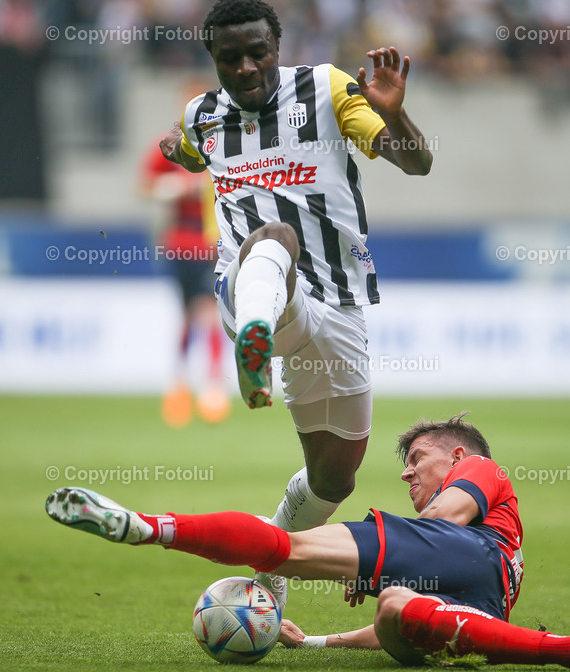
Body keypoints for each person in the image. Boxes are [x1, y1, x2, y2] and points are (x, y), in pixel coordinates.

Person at [157, 0, 434, 609]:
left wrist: (398, 116)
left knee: (336, 474)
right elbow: (194, 143)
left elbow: (418, 163)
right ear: (214, 60)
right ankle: (251, 342)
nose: (247, 67)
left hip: (335, 305)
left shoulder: (327, 89)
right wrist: (182, 150)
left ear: (279, 47)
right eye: (230, 59)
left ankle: (269, 559)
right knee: (273, 238)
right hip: (252, 293)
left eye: (258, 52)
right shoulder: (203, 114)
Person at [45, 414, 570, 671]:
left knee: (287, 549)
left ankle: (150, 527)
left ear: (460, 455)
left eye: (417, 459)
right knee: (398, 613)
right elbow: (397, 604)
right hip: (481, 609)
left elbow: (447, 517)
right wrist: (315, 643)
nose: (408, 474)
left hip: (473, 555)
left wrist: (371, 562)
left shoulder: (485, 471)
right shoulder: (442, 534)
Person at [141, 95, 230, 428]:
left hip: (212, 244)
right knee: (186, 315)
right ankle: (180, 384)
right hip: (180, 242)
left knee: (207, 310)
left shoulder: (225, 142)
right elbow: (147, 185)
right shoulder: (173, 145)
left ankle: (211, 387)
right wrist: (180, 186)